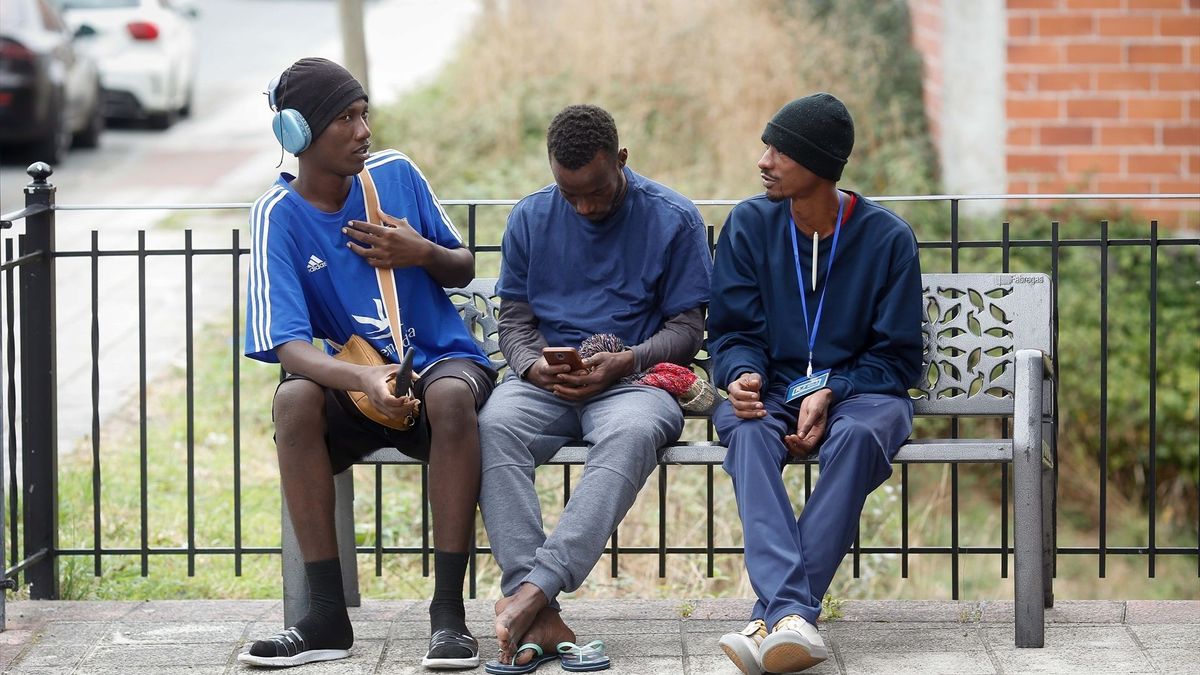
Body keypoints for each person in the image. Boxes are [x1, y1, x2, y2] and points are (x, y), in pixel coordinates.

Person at [239, 57, 495, 670]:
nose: (363, 130)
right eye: (345, 119)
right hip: (359, 382)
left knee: (451, 397)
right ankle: (326, 616)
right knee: (294, 399)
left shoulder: (395, 175)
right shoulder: (279, 216)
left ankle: (448, 617)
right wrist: (360, 377)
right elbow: (287, 346)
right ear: (298, 134)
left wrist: (421, 251)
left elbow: (461, 267)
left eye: (364, 114)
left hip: (441, 365)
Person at [477, 104, 713, 671]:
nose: (585, 205)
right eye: (569, 193)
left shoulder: (672, 218)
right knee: (492, 429)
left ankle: (530, 595)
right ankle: (543, 615)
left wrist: (626, 360)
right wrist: (533, 367)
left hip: (632, 382)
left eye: (598, 191)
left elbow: (688, 328)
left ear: (622, 160)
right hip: (545, 380)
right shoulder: (531, 217)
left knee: (631, 437)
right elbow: (514, 320)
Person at [708, 93, 924, 675]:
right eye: (766, 147)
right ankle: (793, 617)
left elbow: (899, 359)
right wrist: (740, 374)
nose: (764, 160)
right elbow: (729, 331)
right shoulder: (750, 225)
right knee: (746, 431)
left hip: (865, 395)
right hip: (775, 389)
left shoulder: (888, 240)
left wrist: (833, 389)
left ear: (819, 165)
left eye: (779, 150)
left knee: (855, 439)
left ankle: (773, 614)